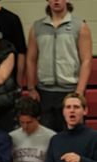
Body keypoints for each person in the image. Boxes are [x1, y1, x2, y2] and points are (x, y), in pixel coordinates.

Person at [26, 0, 92, 132]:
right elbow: (31, 59)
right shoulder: (37, 27)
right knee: (47, 136)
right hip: (45, 92)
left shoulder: (80, 26)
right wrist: (31, 87)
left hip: (70, 90)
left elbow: (86, 60)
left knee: (71, 135)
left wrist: (79, 91)